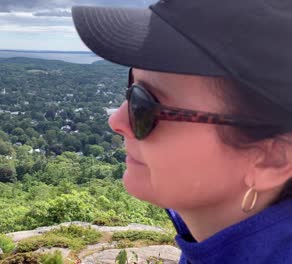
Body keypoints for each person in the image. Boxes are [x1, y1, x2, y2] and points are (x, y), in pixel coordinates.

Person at [72, 1, 292, 263]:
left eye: (143, 104)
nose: (117, 121)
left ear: (272, 159)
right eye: (131, 85)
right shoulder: (215, 243)